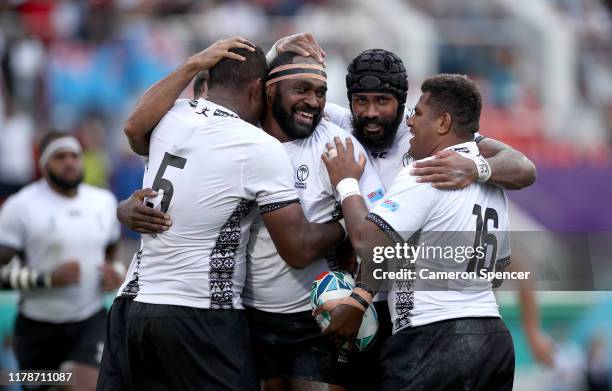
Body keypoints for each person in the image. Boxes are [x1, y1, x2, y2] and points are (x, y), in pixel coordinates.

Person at [118, 37, 345, 391]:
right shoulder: (256, 145)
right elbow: (298, 248)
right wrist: (347, 214)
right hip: (203, 311)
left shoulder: (171, 118)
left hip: (133, 303)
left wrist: (197, 62)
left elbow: (133, 127)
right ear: (262, 90)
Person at [318, 74, 515, 390]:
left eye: (419, 113)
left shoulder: (425, 170)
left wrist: (346, 182)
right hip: (494, 339)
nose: (410, 122)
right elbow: (498, 273)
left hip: (432, 339)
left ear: (443, 122)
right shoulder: (491, 182)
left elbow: (367, 244)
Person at [241, 51, 384, 391]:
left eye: (320, 92)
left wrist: (359, 298)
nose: (313, 101)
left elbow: (378, 237)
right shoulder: (241, 140)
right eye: (302, 89)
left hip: (317, 319)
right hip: (246, 315)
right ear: (270, 90)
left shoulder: (339, 146)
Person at [0, 131, 123, 391]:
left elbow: (112, 252)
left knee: (84, 385)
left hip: (89, 321)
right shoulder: (20, 206)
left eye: (74, 156)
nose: (70, 163)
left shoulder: (103, 201)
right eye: (60, 157)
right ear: (44, 164)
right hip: (36, 329)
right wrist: (46, 279)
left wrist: (115, 271)